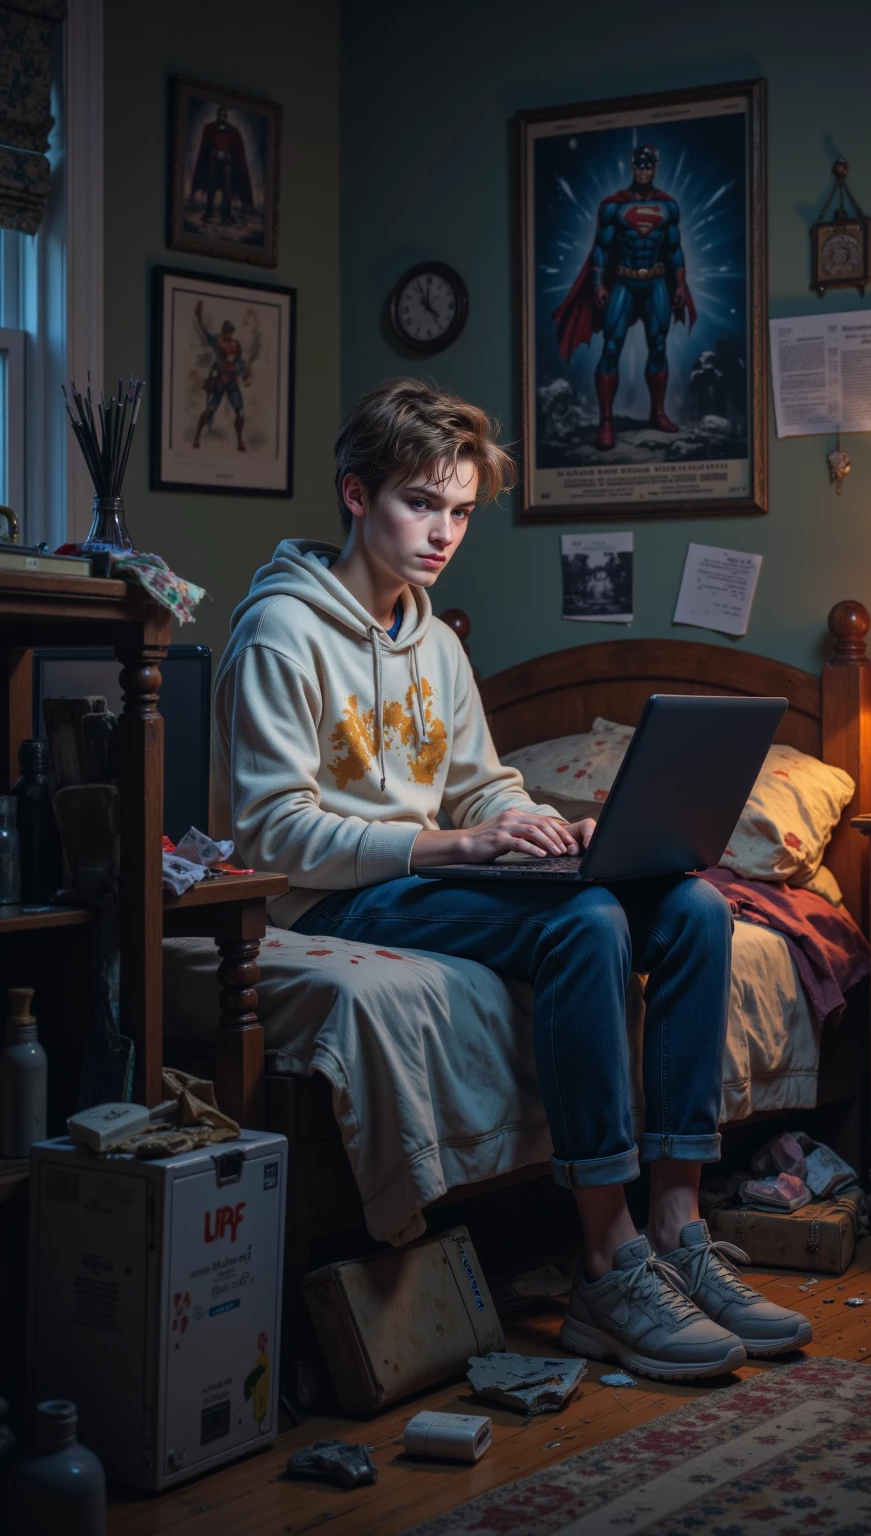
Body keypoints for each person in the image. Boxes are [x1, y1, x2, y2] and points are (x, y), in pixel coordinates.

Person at [212, 377, 811, 1380]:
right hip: (334, 895)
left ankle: (675, 1229)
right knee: (585, 925)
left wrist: (527, 820)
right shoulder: (279, 632)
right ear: (356, 495)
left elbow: (480, 783)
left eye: (458, 511)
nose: (443, 531)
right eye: (420, 503)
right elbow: (272, 836)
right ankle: (604, 1261)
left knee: (695, 909)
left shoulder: (435, 638)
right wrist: (458, 846)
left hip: (425, 870)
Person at [553, 144, 698, 450]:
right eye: (639, 165)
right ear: (633, 167)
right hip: (625, 281)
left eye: (649, 166)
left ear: (655, 168)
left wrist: (681, 285)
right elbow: (601, 249)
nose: (644, 170)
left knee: (658, 346)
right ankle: (606, 422)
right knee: (611, 347)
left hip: (656, 281)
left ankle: (657, 413)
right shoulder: (613, 207)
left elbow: (674, 250)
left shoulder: (668, 207)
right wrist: (597, 284)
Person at [192, 302, 250, 452]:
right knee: (210, 409)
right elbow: (205, 332)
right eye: (226, 332)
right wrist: (199, 316)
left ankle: (240, 442)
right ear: (223, 331)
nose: (228, 335)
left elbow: (239, 363)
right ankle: (197, 436)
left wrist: (244, 373)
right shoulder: (217, 341)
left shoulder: (236, 345)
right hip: (220, 380)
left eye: (230, 333)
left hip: (232, 382)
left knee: (240, 411)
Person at [190, 105, 254, 226]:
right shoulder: (210, 128)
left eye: (224, 115)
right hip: (213, 161)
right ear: (217, 115)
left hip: (227, 163)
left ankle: (226, 215)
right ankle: (209, 212)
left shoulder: (233, 131)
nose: (222, 117)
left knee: (227, 188)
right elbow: (206, 147)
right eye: (220, 115)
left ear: (226, 116)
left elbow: (237, 150)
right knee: (211, 186)